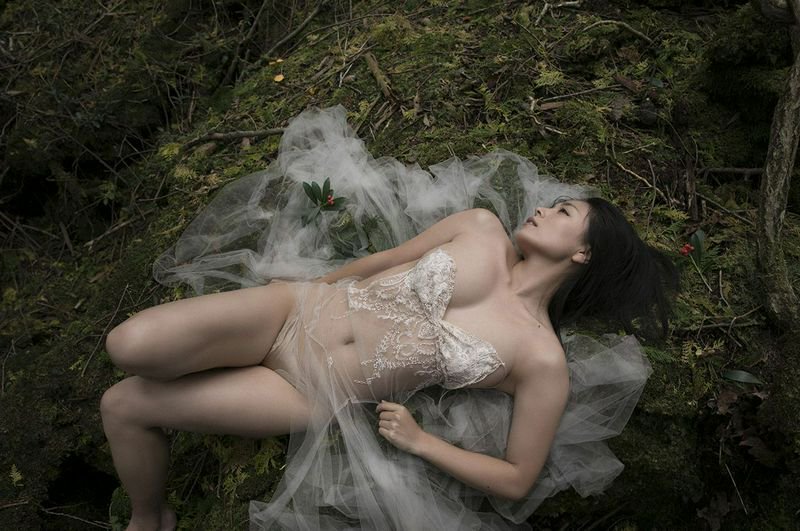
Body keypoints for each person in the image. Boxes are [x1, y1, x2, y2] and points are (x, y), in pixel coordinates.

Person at [100, 106, 678, 531]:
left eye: (563, 211)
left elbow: (518, 477)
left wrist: (423, 442)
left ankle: (150, 518)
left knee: (123, 405)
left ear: (584, 254)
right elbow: (384, 260)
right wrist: (310, 287)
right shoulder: (479, 228)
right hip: (290, 312)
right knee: (127, 346)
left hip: (305, 391)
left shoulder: (540, 357)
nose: (543, 208)